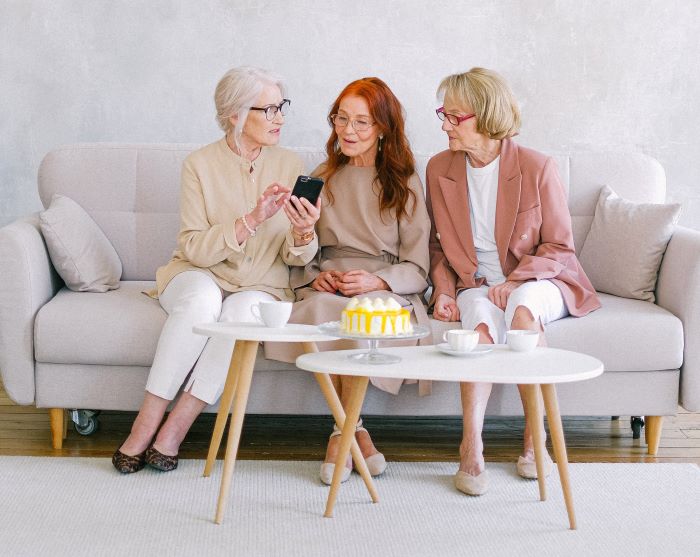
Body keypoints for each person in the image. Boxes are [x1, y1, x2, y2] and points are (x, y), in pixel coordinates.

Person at [112, 66, 320, 474]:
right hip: (197, 273)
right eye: (270, 109)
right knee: (202, 302)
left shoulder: (291, 163)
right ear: (235, 114)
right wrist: (251, 220)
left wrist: (303, 232)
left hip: (262, 285)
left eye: (283, 107)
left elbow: (298, 258)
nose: (280, 118)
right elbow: (192, 245)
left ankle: (175, 430)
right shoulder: (199, 165)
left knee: (240, 315)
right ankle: (144, 425)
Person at [426, 67, 600, 495]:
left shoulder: (536, 167)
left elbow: (560, 248)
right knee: (479, 324)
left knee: (522, 308)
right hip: (476, 282)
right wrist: (445, 292)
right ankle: (471, 445)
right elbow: (436, 247)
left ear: (484, 116)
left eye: (455, 117)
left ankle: (533, 435)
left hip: (542, 278)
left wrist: (516, 279)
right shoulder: (438, 168)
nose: (445, 125)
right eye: (443, 115)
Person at [273, 77, 431, 484]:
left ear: (383, 129)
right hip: (330, 284)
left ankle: (340, 436)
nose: (348, 130)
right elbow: (302, 254)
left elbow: (418, 267)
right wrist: (318, 278)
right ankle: (354, 433)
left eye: (361, 122)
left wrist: (378, 282)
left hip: (384, 288)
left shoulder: (405, 182)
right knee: (327, 308)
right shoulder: (320, 176)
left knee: (363, 311)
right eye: (341, 119)